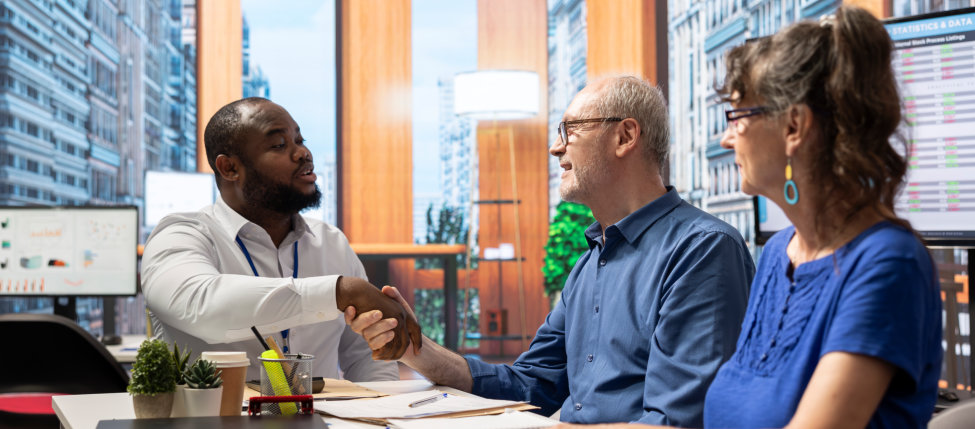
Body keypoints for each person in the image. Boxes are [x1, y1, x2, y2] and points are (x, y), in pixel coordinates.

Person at [553, 6, 943, 429]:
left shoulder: (887, 264)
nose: (725, 137)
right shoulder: (779, 253)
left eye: (738, 116)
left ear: (794, 126)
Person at [345, 75, 755, 426]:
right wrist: (415, 348)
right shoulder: (590, 263)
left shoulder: (702, 251)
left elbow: (678, 422)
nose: (556, 149)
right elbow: (532, 385)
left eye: (570, 130)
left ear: (625, 136)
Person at [141, 97, 399, 382]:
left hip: (323, 423)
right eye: (279, 145)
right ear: (229, 168)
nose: (302, 153)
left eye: (300, 140)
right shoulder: (180, 234)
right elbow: (201, 306)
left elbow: (368, 354)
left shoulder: (331, 242)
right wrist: (337, 292)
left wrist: (378, 412)